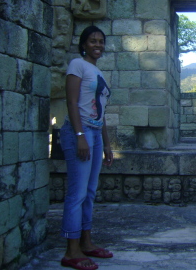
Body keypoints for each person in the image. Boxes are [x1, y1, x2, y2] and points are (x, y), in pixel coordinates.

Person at [59, 25, 114, 270]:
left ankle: (87, 243)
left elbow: (100, 112)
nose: (97, 45)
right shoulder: (77, 65)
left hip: (95, 134)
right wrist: (80, 134)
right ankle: (71, 251)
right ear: (84, 44)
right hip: (78, 132)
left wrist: (107, 144)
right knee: (77, 193)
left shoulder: (97, 71)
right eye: (93, 41)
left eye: (101, 41)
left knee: (90, 192)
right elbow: (71, 102)